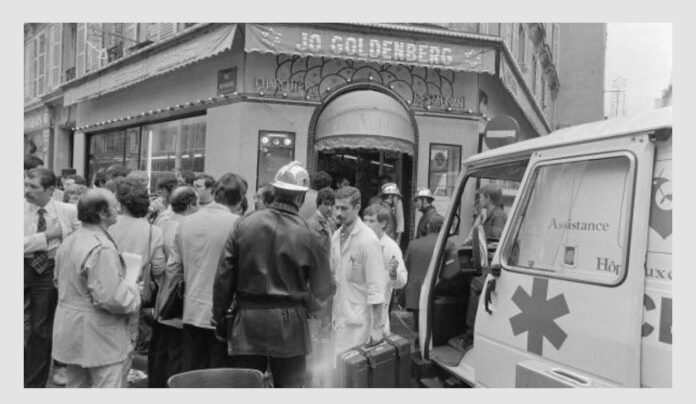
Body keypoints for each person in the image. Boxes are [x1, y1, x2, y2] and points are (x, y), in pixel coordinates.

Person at [213, 161, 336, 388]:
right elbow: (324, 289)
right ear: (300, 197)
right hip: (291, 326)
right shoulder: (308, 234)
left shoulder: (244, 224)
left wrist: (219, 317)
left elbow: (223, 278)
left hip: (247, 322)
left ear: (276, 191)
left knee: (247, 389)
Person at [52, 189, 141, 388]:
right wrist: (134, 292)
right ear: (102, 213)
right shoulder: (102, 247)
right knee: (107, 385)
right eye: (114, 206)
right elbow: (111, 298)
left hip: (71, 329)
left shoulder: (71, 240)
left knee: (76, 385)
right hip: (99, 335)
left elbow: (58, 281)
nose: (119, 209)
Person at [169, 173, 244, 371]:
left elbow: (173, 267)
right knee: (218, 376)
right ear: (240, 200)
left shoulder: (186, 222)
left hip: (191, 310)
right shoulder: (238, 225)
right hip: (223, 315)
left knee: (192, 373)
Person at [105, 177, 166, 386]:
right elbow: (158, 268)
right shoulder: (153, 231)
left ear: (120, 203)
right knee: (127, 345)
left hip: (103, 290)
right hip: (133, 293)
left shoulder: (106, 225)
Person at [24, 168, 80, 387]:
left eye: (33, 186)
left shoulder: (68, 211)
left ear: (50, 190)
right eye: (26, 185)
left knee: (41, 327)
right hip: (23, 266)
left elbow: (79, 240)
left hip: (50, 268)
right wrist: (46, 236)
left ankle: (33, 384)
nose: (27, 190)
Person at [149, 186, 200, 387]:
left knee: (161, 350)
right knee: (176, 353)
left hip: (161, 297)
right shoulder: (188, 228)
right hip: (178, 300)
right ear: (191, 204)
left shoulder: (163, 223)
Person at [331, 186, 386, 355]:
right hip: (339, 319)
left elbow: (376, 287)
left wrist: (377, 328)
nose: (338, 213)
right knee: (338, 367)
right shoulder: (336, 236)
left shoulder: (368, 240)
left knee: (354, 368)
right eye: (337, 207)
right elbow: (334, 275)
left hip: (359, 325)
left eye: (344, 208)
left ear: (357, 207)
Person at [457, 184, 508, 351]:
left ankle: (471, 332)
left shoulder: (499, 216)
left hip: (492, 267)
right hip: (487, 264)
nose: (479, 200)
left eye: (481, 197)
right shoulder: (489, 215)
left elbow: (494, 243)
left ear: (488, 198)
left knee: (475, 285)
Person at [404, 215, 456, 334]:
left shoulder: (413, 244)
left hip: (415, 293)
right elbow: (451, 270)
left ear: (428, 226)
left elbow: (405, 268)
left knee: (418, 328)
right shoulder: (448, 244)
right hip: (436, 292)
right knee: (434, 328)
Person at [362, 204, 407, 335]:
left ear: (383, 223)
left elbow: (401, 281)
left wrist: (392, 273)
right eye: (365, 220)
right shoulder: (358, 243)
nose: (366, 224)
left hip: (377, 313)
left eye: (371, 221)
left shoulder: (390, 247)